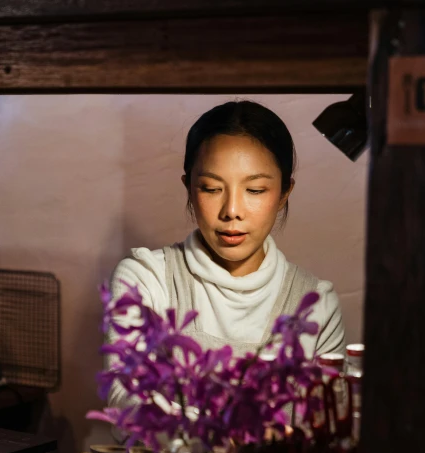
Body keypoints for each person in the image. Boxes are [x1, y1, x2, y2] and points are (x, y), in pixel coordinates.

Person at [107, 100, 346, 409]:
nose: (232, 211)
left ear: (285, 192)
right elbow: (125, 396)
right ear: (189, 188)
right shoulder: (147, 279)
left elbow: (326, 423)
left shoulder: (315, 306)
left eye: (256, 190)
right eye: (210, 188)